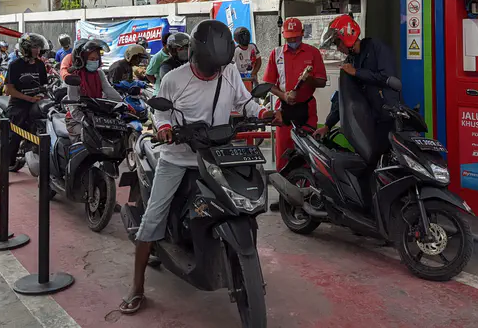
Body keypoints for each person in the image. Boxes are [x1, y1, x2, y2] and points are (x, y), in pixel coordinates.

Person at [120, 20, 271, 315]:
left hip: (217, 154)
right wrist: (164, 127)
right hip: (178, 157)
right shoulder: (174, 79)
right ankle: (137, 286)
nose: (215, 73)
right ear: (195, 56)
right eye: (210, 68)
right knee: (153, 219)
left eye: (219, 67)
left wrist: (264, 111)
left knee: (241, 202)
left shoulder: (227, 72)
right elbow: (159, 112)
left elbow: (245, 102)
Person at [316, 15, 398, 146]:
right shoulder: (350, 61)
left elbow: (387, 77)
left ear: (347, 36)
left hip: (389, 118)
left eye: (338, 43)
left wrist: (357, 72)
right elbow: (343, 96)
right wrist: (327, 125)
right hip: (369, 122)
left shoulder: (376, 48)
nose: (338, 48)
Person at [262, 18, 326, 172]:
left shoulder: (313, 53)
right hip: (285, 110)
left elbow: (322, 82)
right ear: (284, 35)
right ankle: (284, 192)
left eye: (296, 38)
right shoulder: (276, 54)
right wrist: (283, 96)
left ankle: (307, 191)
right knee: (284, 153)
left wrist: (309, 79)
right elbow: (269, 84)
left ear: (303, 34)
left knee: (307, 154)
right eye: (289, 38)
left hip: (307, 109)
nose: (292, 41)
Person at [62, 39, 121, 140]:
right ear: (83, 59)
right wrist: (84, 119)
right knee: (88, 139)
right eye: (91, 59)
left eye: (96, 59)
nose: (94, 61)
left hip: (97, 117)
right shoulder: (75, 76)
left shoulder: (99, 74)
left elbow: (109, 90)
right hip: (77, 120)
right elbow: (73, 107)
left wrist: (123, 103)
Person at [4, 33, 49, 165]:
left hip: (37, 103)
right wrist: (28, 98)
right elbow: (8, 90)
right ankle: (8, 163)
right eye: (35, 47)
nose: (38, 50)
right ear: (26, 48)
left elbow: (43, 85)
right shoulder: (15, 65)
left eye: (39, 47)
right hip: (19, 104)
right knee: (15, 132)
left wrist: (42, 95)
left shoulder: (40, 65)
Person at [144, 28, 173, 94]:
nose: (172, 47)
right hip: (160, 93)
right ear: (164, 44)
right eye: (169, 45)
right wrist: (158, 83)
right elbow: (148, 74)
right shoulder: (157, 57)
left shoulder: (174, 55)